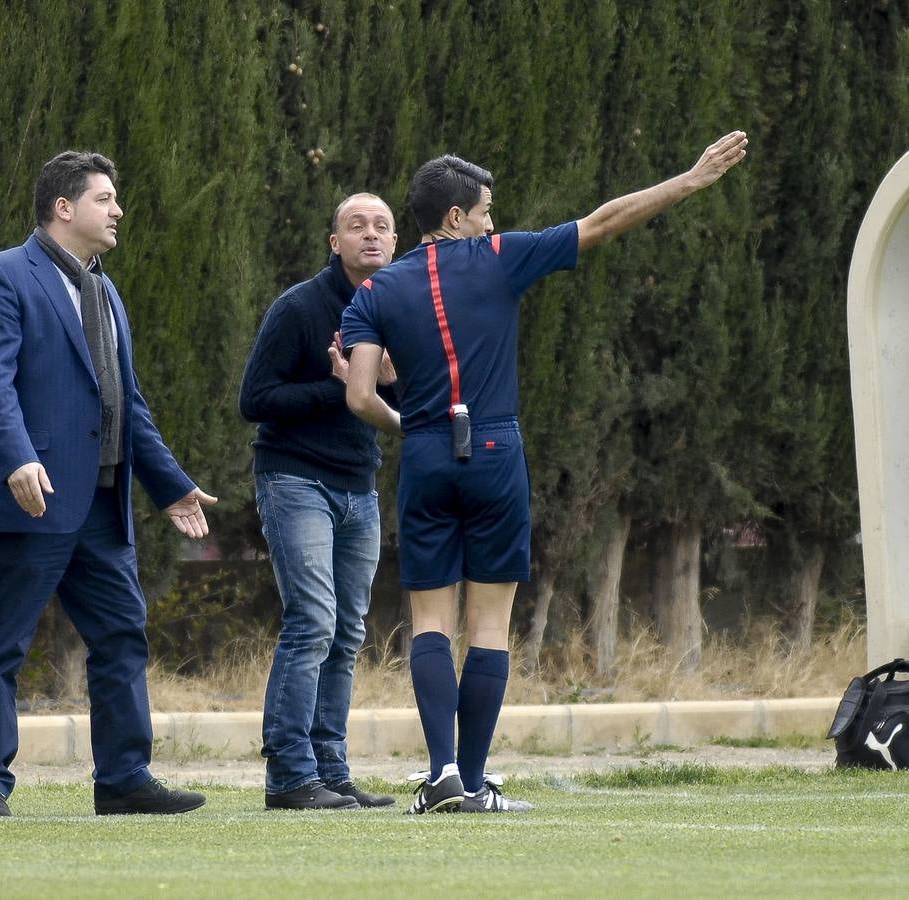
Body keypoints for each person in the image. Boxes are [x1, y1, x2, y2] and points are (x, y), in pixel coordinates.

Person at [341, 131, 749, 814]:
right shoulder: (499, 257)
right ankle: (472, 784)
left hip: (428, 453)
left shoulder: (377, 289)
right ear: (455, 219)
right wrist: (687, 179)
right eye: (486, 212)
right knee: (491, 627)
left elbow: (358, 395)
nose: (493, 223)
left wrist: (414, 427)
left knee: (431, 623)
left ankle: (440, 776)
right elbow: (603, 222)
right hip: (495, 450)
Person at [0, 150, 218, 817]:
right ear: (63, 207)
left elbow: (127, 403)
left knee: (123, 634)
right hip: (30, 494)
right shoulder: (2, 275)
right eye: (105, 198)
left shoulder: (104, 287)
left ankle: (124, 780)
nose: (119, 210)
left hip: (101, 504)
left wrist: (171, 485)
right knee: (3, 643)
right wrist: (14, 459)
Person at [239, 193, 401, 811]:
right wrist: (340, 389)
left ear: (395, 244)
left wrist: (384, 382)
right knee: (312, 622)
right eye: (356, 226)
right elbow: (255, 400)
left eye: (382, 227)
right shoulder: (300, 308)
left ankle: (331, 770)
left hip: (361, 486)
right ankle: (288, 775)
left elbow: (405, 404)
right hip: (296, 480)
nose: (370, 235)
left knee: (348, 631)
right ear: (334, 242)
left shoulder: (397, 312)